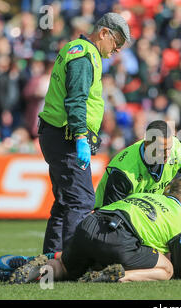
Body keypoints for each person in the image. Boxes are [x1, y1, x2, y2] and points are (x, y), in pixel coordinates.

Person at [6, 178, 181, 284]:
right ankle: (117, 276)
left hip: (89, 226)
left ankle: (38, 271)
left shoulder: (144, 195)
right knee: (167, 269)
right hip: (118, 239)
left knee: (65, 267)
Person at [37, 13, 130, 254]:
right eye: (117, 42)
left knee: (65, 203)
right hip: (66, 135)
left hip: (57, 134)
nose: (118, 49)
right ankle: (71, 262)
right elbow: (76, 99)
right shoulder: (84, 55)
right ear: (103, 34)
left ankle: (52, 259)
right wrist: (80, 136)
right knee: (81, 201)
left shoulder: (78, 50)